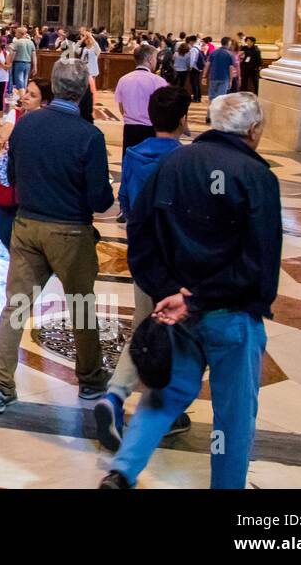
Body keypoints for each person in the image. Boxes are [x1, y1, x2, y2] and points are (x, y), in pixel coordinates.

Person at [102, 93, 280, 489]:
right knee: (233, 418)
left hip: (177, 312)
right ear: (254, 130)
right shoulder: (257, 176)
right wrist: (197, 297)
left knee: (163, 396)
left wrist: (166, 290)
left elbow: (139, 230)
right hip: (230, 315)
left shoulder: (173, 163)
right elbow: (260, 261)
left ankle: (122, 471)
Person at [0, 58, 113, 414]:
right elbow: (99, 198)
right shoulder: (89, 136)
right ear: (82, 90)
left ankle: (0, 386)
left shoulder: (25, 127)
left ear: (54, 88)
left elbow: (12, 174)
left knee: (15, 307)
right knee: (82, 306)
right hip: (70, 230)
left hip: (26, 225)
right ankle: (89, 380)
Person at [94, 86, 192, 451]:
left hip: (142, 256)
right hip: (173, 262)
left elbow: (126, 202)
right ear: (183, 120)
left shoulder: (134, 154)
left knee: (143, 324)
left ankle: (117, 397)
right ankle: (159, 408)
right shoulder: (184, 161)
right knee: (172, 331)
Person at [0, 78, 52, 250]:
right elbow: (4, 136)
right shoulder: (16, 114)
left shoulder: (50, 121)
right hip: (11, 180)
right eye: (27, 92)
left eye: (32, 95)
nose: (26, 97)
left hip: (35, 182)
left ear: (44, 101)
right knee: (4, 229)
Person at [115, 43, 168, 157]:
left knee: (129, 161)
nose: (156, 62)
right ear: (150, 59)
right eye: (155, 58)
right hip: (151, 130)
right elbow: (164, 109)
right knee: (148, 163)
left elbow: (121, 108)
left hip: (129, 129)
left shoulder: (123, 80)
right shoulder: (158, 81)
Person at [204, 36, 238, 122]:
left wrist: (204, 76)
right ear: (229, 43)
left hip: (213, 77)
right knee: (220, 98)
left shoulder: (213, 52)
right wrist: (230, 80)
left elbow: (207, 65)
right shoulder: (230, 54)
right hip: (224, 78)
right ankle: (217, 117)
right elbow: (231, 68)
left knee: (212, 98)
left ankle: (208, 116)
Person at [9, 25, 35, 91]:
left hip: (19, 63)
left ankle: (21, 96)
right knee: (25, 80)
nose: (15, 34)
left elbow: (13, 54)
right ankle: (24, 93)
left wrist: (10, 63)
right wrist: (35, 66)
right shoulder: (31, 42)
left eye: (16, 33)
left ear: (20, 33)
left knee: (19, 81)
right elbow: (34, 56)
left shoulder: (17, 42)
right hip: (28, 64)